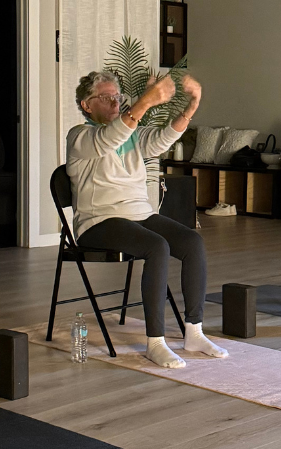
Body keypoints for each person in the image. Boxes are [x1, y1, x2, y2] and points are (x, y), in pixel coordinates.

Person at [66, 69, 226, 368]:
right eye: (106, 97)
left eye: (118, 97)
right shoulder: (81, 136)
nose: (115, 103)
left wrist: (191, 107)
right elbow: (109, 138)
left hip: (139, 215)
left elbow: (162, 139)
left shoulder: (133, 135)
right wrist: (145, 102)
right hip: (98, 222)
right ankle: (156, 342)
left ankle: (194, 331)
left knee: (192, 242)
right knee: (157, 246)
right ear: (87, 105)